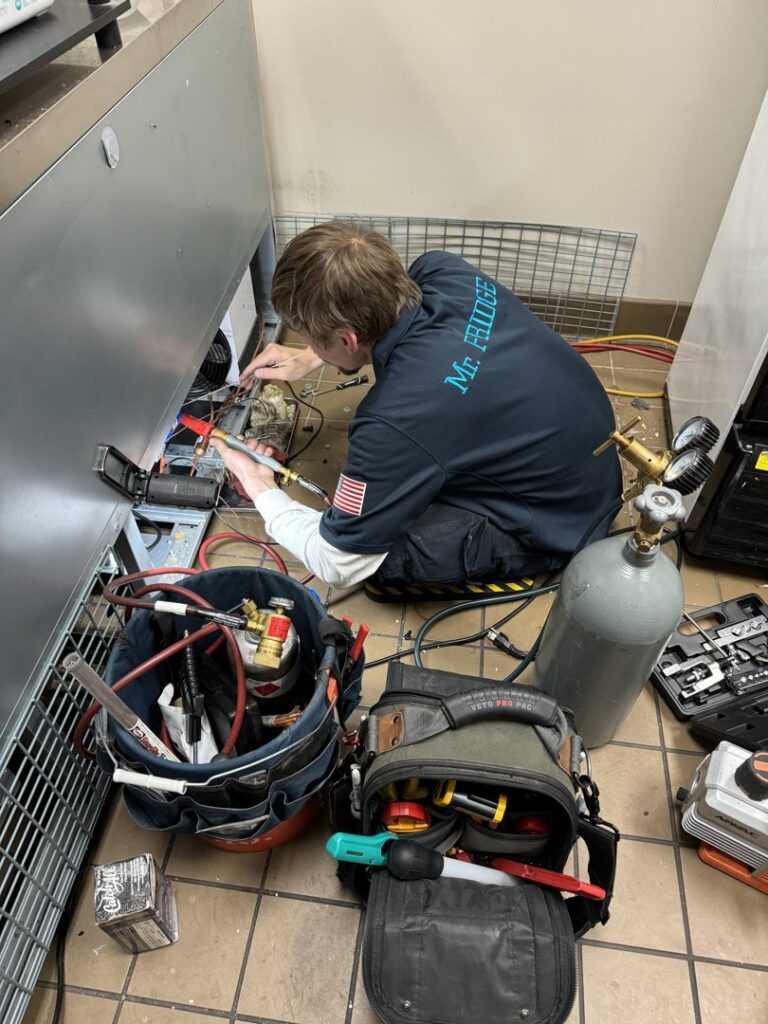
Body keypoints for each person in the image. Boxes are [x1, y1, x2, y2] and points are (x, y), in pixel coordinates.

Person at [212, 222, 622, 590]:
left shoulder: (392, 423)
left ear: (348, 339)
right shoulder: (443, 271)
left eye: (309, 336)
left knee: (381, 562)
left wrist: (259, 485)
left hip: (563, 519)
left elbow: (338, 562)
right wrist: (314, 355)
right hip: (590, 448)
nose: (305, 344)